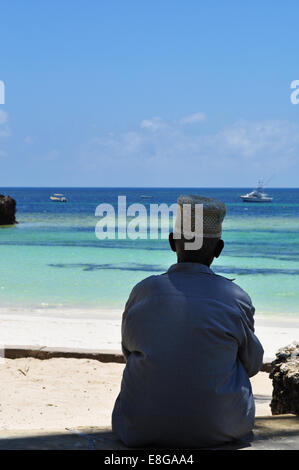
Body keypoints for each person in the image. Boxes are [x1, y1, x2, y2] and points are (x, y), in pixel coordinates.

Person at [112, 195, 264, 448]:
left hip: (138, 427)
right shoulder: (235, 297)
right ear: (219, 249)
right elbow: (252, 364)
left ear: (173, 243)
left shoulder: (143, 291)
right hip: (223, 428)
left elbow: (129, 351)